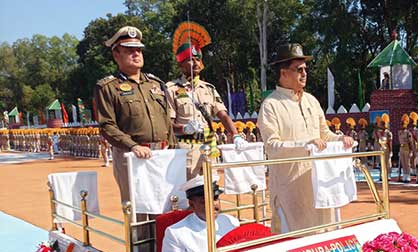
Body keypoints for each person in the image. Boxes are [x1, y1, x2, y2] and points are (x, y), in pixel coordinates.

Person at [257, 43, 354, 233]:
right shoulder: (271, 106)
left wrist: (340, 140)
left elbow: (324, 134)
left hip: (321, 186)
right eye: (298, 69)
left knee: (326, 242)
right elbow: (272, 146)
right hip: (290, 190)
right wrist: (305, 145)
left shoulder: (311, 100)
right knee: (295, 247)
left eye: (305, 69)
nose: (304, 74)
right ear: (283, 73)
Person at [94, 25, 177, 203]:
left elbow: (166, 120)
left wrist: (173, 149)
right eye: (130, 50)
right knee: (137, 212)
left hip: (162, 155)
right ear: (116, 55)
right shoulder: (108, 87)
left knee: (166, 207)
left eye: (139, 50)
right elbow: (107, 125)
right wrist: (133, 146)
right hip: (132, 157)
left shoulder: (155, 84)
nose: (136, 54)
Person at [166, 21, 244, 178]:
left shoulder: (209, 88)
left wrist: (235, 134)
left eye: (197, 59)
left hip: (209, 146)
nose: (195, 63)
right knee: (191, 193)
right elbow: (169, 123)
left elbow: (222, 115)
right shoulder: (171, 89)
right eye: (190, 59)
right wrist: (185, 129)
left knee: (212, 189)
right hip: (187, 148)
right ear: (181, 65)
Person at [398, 114, 414, 182]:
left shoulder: (408, 133)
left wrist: (411, 151)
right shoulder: (399, 132)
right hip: (401, 148)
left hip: (407, 148)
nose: (402, 125)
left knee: (407, 163)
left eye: (403, 124)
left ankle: (408, 175)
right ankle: (404, 174)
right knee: (403, 162)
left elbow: (410, 142)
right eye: (401, 124)